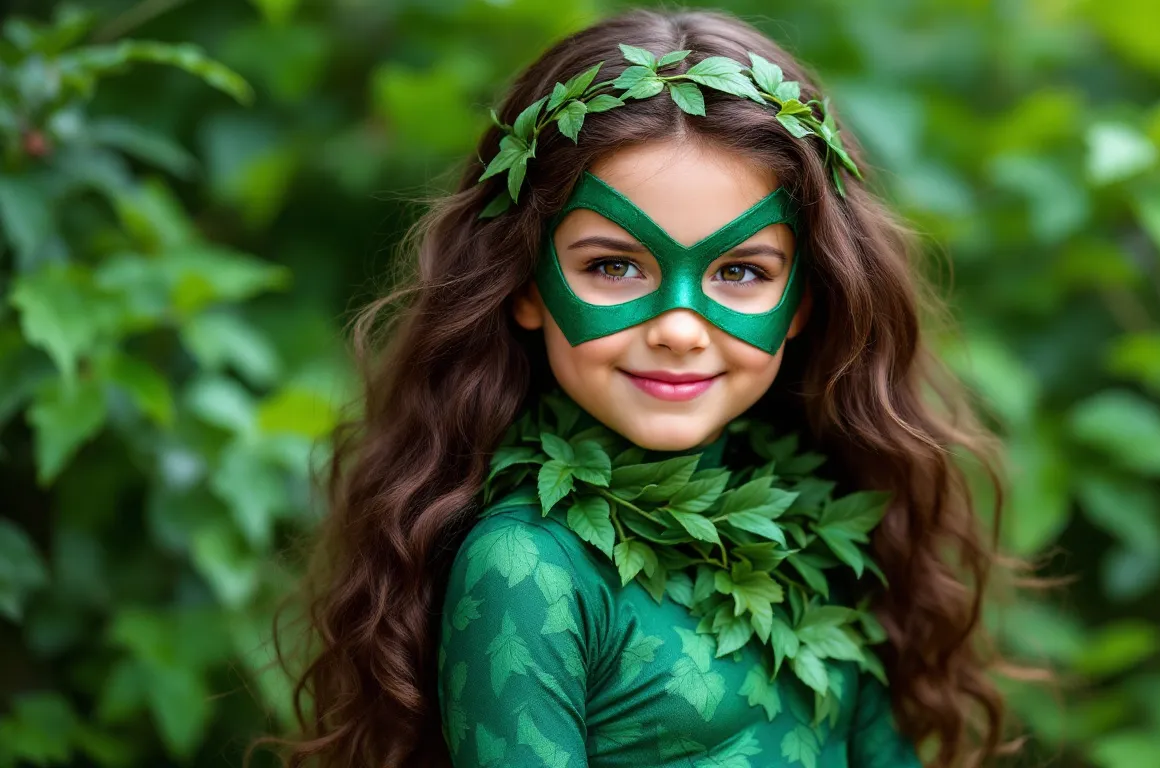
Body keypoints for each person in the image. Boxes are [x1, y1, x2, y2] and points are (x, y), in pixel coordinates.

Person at [280, 8, 1017, 768]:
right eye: (613, 265)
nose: (679, 328)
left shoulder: (818, 519)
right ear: (522, 282)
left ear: (805, 300)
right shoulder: (526, 566)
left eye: (740, 272)